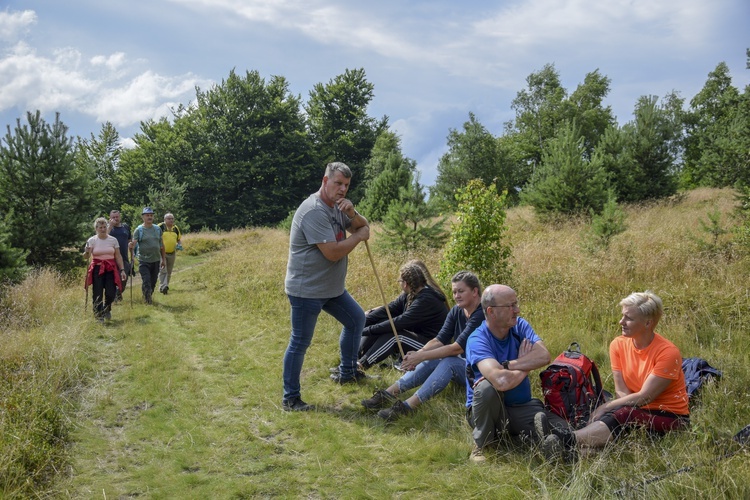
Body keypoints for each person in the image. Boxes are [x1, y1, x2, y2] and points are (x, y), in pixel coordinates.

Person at [539, 291, 690, 460]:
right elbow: (621, 392)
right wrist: (613, 409)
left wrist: (607, 407)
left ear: (648, 323)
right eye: (622, 316)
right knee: (616, 413)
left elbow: (645, 397)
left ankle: (565, 439)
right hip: (635, 410)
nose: (621, 322)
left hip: (669, 418)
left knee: (621, 414)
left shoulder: (668, 353)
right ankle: (569, 455)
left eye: (629, 318)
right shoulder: (618, 344)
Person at [282, 162, 370, 412]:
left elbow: (363, 226)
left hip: (332, 288)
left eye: (346, 185)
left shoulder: (339, 207)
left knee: (356, 320)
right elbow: (332, 253)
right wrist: (357, 236)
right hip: (306, 290)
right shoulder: (314, 211)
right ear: (325, 181)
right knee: (300, 341)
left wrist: (352, 214)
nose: (342, 189)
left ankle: (348, 373)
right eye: (338, 183)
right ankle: (291, 399)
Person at [361, 270, 484, 421]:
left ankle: (407, 407)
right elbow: (439, 340)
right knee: (434, 358)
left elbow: (457, 348)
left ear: (475, 291)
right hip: (465, 364)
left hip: (482, 372)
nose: (456, 296)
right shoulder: (457, 311)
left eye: (461, 291)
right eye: (454, 292)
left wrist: (420, 356)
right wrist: (417, 354)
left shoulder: (481, 314)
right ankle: (388, 394)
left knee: (449, 361)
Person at [464, 284, 566, 463]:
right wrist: (526, 364)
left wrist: (509, 365)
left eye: (516, 304)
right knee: (487, 387)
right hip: (490, 411)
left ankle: (542, 445)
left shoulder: (520, 326)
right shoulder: (477, 340)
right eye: (510, 306)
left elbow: (544, 355)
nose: (517, 310)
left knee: (563, 428)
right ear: (491, 311)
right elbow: (501, 382)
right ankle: (481, 445)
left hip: (521, 406)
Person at [357, 260, 449, 371]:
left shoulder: (426, 300)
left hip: (432, 347)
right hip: (418, 338)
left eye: (399, 281)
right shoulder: (410, 294)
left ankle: (361, 366)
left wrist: (365, 330)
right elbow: (388, 310)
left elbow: (399, 322)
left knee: (396, 335)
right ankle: (355, 357)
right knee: (383, 320)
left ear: (405, 283)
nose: (399, 283)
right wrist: (360, 323)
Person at [84, 217, 127, 322]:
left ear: (107, 227)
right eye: (100, 227)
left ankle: (107, 308)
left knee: (111, 293)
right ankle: (99, 315)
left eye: (104, 227)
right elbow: (86, 257)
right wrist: (86, 252)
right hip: (97, 268)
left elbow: (118, 256)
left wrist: (122, 270)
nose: (102, 229)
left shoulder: (113, 240)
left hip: (110, 268)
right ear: (96, 229)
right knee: (97, 292)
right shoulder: (92, 240)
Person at [128, 207, 166, 305]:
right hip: (143, 260)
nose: (149, 217)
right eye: (147, 215)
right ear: (143, 217)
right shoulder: (139, 230)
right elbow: (134, 243)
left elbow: (161, 245)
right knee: (146, 280)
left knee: (153, 281)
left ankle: (147, 295)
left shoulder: (158, 229)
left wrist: (163, 259)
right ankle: (147, 299)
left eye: (151, 215)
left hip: (156, 259)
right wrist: (131, 246)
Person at [107, 210, 131, 302]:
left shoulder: (125, 227)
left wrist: (132, 254)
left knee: (124, 279)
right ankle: (114, 297)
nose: (115, 219)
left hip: (124, 257)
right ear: (110, 218)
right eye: (113, 217)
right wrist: (110, 226)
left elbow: (129, 241)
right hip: (111, 258)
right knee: (112, 279)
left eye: (117, 217)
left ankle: (118, 293)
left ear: (120, 217)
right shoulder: (108, 228)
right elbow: (103, 237)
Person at [158, 212, 182, 295]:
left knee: (169, 271)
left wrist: (179, 245)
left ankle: (165, 286)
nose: (171, 220)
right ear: (164, 220)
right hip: (161, 253)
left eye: (172, 218)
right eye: (169, 218)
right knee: (163, 270)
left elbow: (178, 239)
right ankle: (162, 286)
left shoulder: (175, 228)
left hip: (172, 252)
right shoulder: (160, 227)